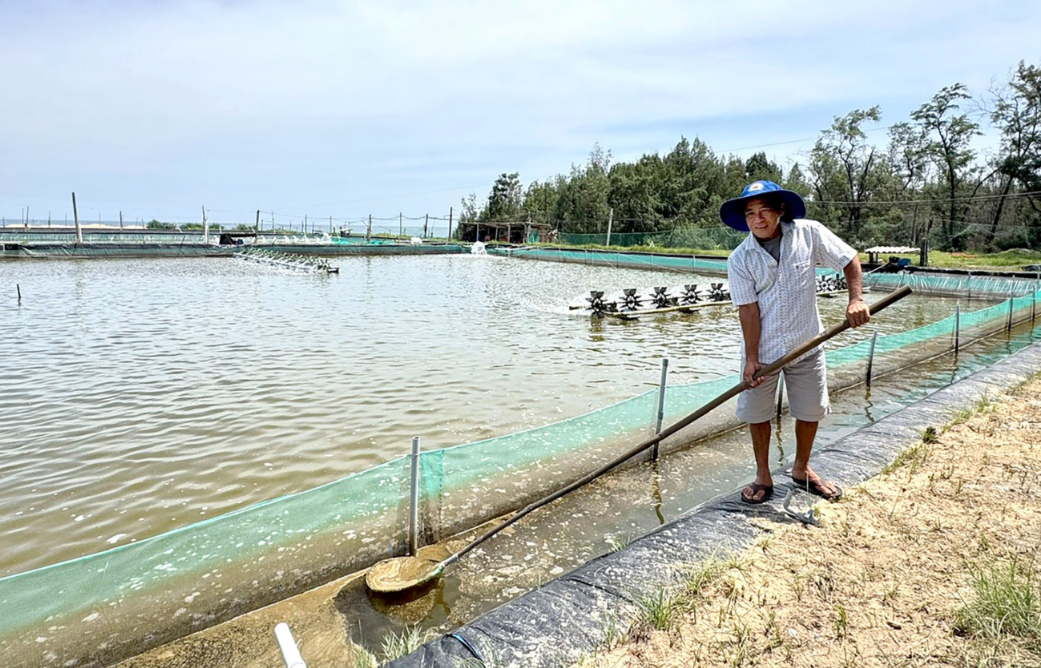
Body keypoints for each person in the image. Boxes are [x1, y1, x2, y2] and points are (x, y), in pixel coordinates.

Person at [721, 180, 870, 504]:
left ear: (780, 211)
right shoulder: (740, 258)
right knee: (757, 412)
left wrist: (855, 300)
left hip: (808, 342)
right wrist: (751, 359)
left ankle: (802, 468)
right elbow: (748, 310)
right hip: (765, 353)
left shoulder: (809, 233)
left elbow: (849, 258)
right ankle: (763, 476)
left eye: (764, 211)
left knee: (811, 409)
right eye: (750, 214)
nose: (758, 219)